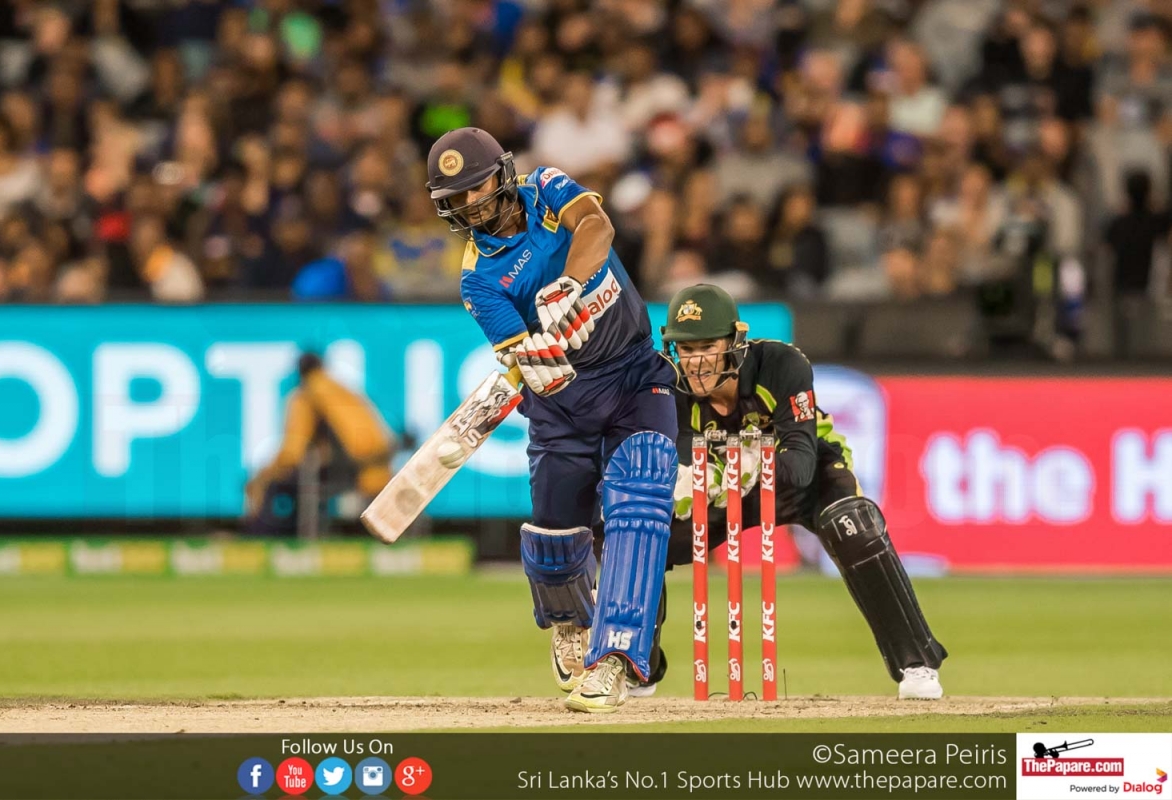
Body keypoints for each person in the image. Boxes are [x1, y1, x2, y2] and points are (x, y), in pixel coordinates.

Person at [427, 127, 677, 713]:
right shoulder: (477, 279)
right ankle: (570, 624)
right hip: (563, 403)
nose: (470, 203)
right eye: (455, 198)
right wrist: (538, 361)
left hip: (634, 375)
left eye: (476, 187)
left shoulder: (544, 188)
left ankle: (614, 660)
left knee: (639, 506)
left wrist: (569, 286)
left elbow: (596, 226)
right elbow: (520, 353)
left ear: (503, 173)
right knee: (556, 539)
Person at [657, 283, 947, 700]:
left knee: (853, 524)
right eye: (686, 349)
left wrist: (751, 465)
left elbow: (800, 464)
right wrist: (689, 480)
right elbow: (683, 458)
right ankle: (637, 667)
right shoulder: (668, 385)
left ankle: (916, 663)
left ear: (734, 341)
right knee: (644, 533)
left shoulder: (780, 364)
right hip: (726, 486)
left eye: (707, 346)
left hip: (805, 478)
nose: (696, 362)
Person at [245, 353, 396, 534]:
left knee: (275, 484)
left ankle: (261, 534)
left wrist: (267, 474)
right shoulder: (345, 390)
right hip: (377, 468)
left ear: (300, 373)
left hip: (349, 469)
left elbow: (293, 450)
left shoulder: (306, 394)